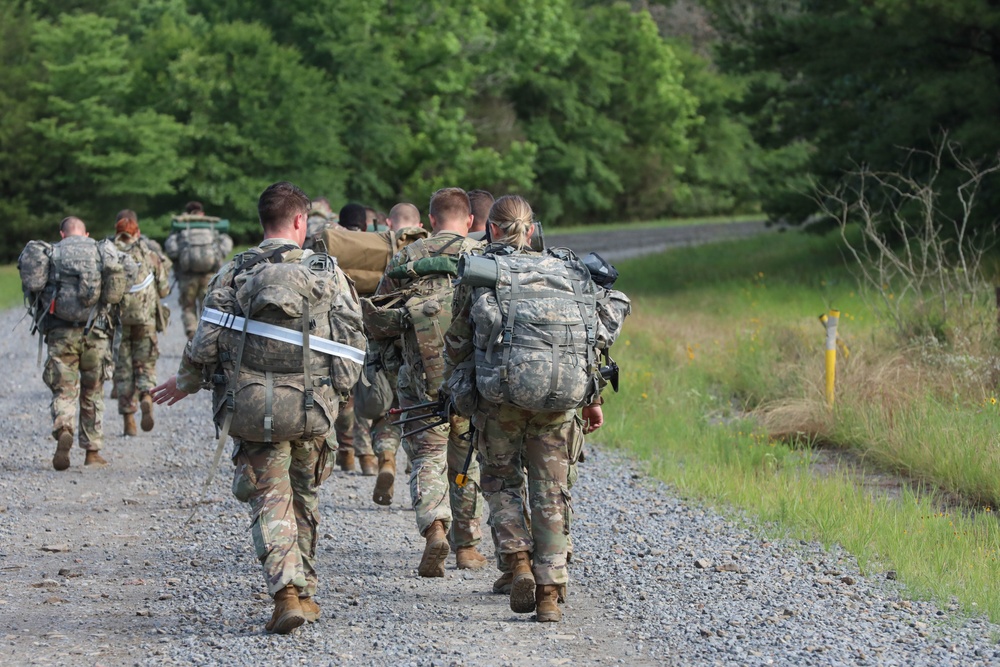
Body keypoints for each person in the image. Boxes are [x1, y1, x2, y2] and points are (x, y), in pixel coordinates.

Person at [150, 181, 365, 634]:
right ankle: (304, 591)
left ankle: (285, 591)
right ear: (301, 220)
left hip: (250, 407)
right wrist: (335, 396)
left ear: (262, 221)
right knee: (305, 496)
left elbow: (206, 343)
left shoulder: (234, 272)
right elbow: (352, 344)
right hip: (311, 409)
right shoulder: (328, 272)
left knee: (271, 497)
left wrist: (184, 383)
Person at [443, 194, 609, 623]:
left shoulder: (483, 271)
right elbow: (589, 340)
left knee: (500, 481)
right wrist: (592, 400)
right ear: (531, 229)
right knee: (552, 491)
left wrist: (459, 390)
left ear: (491, 229)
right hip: (561, 398)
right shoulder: (567, 270)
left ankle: (517, 563)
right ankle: (550, 594)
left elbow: (458, 340)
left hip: (502, 399)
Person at [373, 187, 487, 575]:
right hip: (472, 381)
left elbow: (379, 317)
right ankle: (467, 547)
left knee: (427, 457)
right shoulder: (484, 258)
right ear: (470, 221)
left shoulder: (407, 257)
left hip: (420, 379)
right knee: (467, 460)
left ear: (431, 219)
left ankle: (435, 527)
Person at [21, 217, 135, 470]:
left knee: (64, 389)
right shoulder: (101, 249)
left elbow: (35, 286)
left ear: (62, 234)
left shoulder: (52, 253)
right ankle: (92, 452)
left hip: (61, 333)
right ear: (86, 233)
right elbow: (130, 272)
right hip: (96, 333)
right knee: (93, 392)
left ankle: (64, 427)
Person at [112, 210, 171, 436]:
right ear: (137, 231)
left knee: (123, 370)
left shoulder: (110, 253)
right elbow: (164, 290)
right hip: (145, 321)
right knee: (145, 364)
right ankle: (147, 395)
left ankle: (129, 421)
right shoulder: (148, 254)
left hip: (117, 322)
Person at [165, 201, 234, 340]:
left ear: (187, 213)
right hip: (209, 275)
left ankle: (192, 334)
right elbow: (227, 243)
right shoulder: (211, 226)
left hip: (187, 276)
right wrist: (218, 255)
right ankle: (207, 338)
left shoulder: (182, 227)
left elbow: (171, 250)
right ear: (202, 213)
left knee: (188, 307)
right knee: (208, 307)